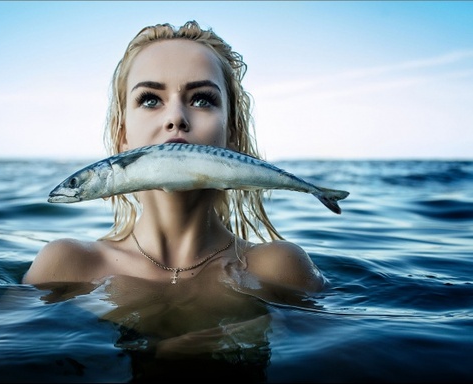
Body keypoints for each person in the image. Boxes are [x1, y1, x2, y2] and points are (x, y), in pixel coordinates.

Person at [23, 20, 327, 377]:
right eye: (150, 99)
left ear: (231, 133)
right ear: (123, 137)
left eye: (202, 99)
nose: (176, 119)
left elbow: (349, 363)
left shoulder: (279, 267)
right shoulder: (67, 264)